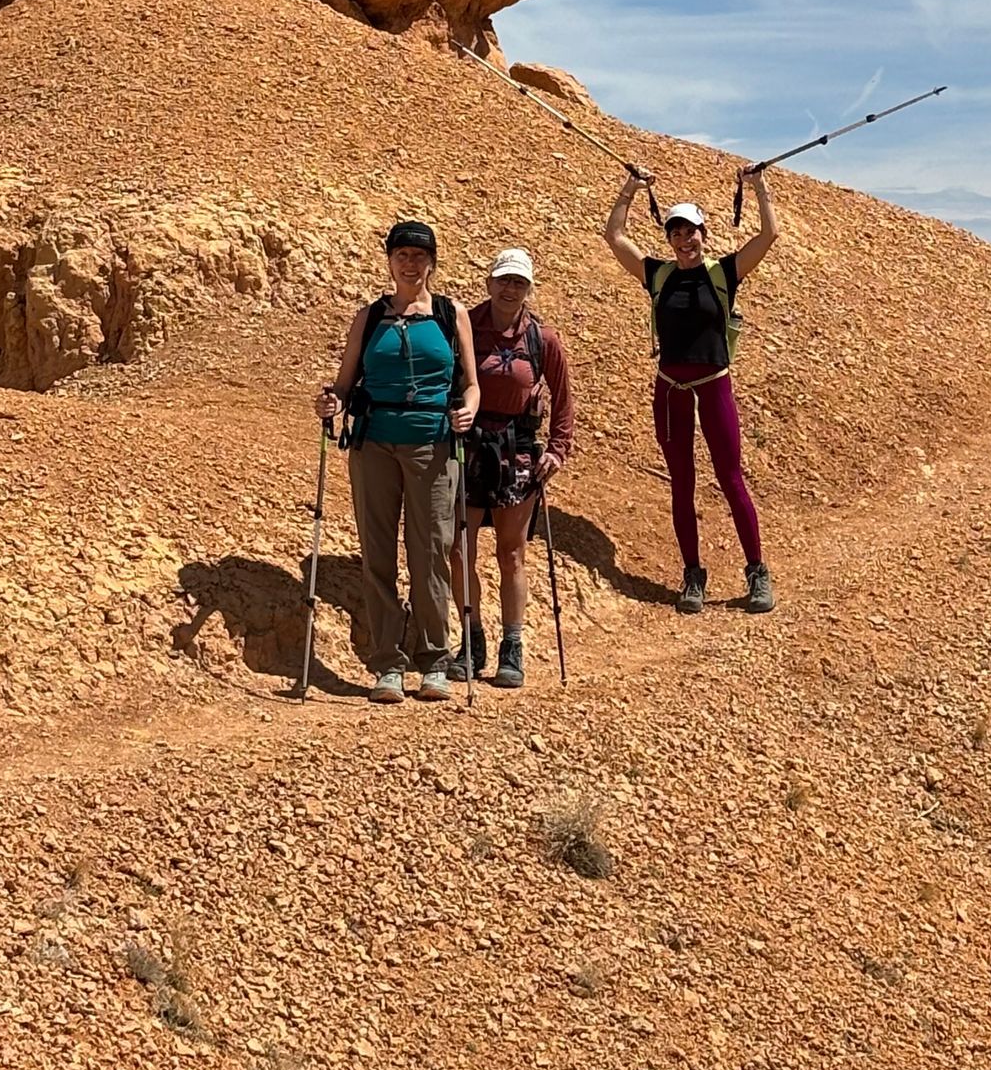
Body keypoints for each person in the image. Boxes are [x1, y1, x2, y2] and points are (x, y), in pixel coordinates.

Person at [316, 219, 479, 704]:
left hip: (433, 440)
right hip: (374, 444)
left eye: (419, 255)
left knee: (430, 551)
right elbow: (345, 383)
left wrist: (470, 407)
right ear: (389, 260)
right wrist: (331, 402)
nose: (411, 262)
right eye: (402, 254)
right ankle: (387, 661)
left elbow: (470, 382)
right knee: (378, 550)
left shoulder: (452, 314)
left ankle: (434, 660)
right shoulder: (368, 318)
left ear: (432, 262)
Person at [604, 171, 778, 615]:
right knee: (682, 483)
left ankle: (757, 570)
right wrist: (632, 188)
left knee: (730, 478)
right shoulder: (658, 275)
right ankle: (692, 574)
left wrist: (756, 185)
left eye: (690, 231)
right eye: (676, 232)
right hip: (670, 390)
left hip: (713, 384)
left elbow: (769, 234)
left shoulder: (723, 272)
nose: (684, 239)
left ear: (704, 233)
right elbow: (614, 235)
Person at [457, 247, 576, 689]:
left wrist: (557, 450)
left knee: (511, 552)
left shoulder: (542, 339)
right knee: (460, 548)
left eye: (519, 282)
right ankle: (471, 640)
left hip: (519, 450)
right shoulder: (465, 327)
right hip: (468, 446)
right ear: (489, 282)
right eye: (504, 280)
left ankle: (512, 645)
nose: (510, 289)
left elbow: (563, 398)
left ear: (528, 288)